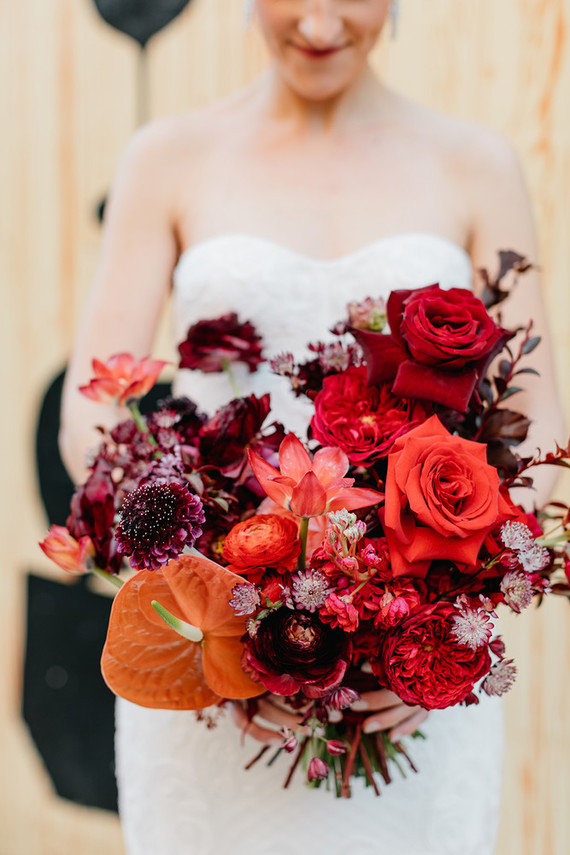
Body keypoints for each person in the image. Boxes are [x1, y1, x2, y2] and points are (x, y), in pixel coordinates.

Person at [60, 1, 564, 853]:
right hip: (213, 660)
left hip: (407, 679)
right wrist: (204, 591)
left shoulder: (477, 164)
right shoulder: (168, 157)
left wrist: (435, 622)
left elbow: (537, 412)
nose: (322, 24)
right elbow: (93, 405)